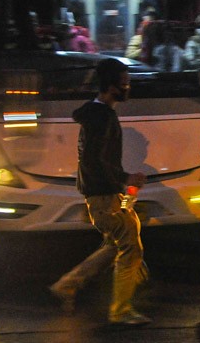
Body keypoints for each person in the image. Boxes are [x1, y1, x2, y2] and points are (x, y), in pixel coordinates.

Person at [49, 58, 151, 326]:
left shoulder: (96, 114)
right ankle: (121, 310)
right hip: (103, 196)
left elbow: (95, 159)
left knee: (113, 245)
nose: (127, 87)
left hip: (103, 194)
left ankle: (66, 285)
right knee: (131, 247)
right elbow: (96, 160)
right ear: (109, 85)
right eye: (123, 83)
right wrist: (125, 177)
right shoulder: (102, 117)